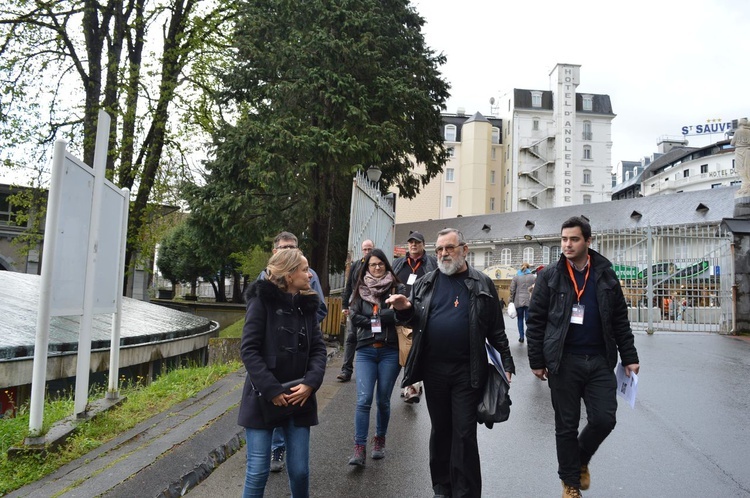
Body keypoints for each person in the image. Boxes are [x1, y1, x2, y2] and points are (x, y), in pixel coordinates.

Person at [386, 228, 514, 497]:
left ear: (464, 250)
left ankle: (465, 491)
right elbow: (414, 321)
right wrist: (404, 310)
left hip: (468, 370)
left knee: (464, 433)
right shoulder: (426, 283)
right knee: (441, 429)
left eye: (450, 248)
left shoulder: (481, 283)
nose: (444, 254)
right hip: (434, 371)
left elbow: (496, 329)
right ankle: (442, 486)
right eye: (440, 249)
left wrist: (507, 362)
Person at [526, 216, 640, 498]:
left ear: (588, 241)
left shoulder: (605, 274)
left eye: (574, 239)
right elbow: (536, 321)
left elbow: (619, 320)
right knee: (566, 425)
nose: (567, 244)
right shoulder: (549, 276)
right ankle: (570, 484)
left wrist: (629, 356)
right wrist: (537, 360)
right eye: (564, 239)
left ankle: (579, 460)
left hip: (599, 359)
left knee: (604, 419)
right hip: (563, 361)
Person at [238, 249, 327, 498]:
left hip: (300, 398)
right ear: (288, 275)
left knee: (299, 471)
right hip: (262, 398)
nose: (309, 274)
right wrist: (272, 389)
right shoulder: (260, 301)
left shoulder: (308, 305)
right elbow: (249, 350)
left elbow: (319, 350)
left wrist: (311, 383)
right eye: (304, 269)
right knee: (257, 471)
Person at [258, 232, 328, 473]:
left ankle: (284, 447)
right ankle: (277, 447)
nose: (290, 250)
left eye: (293, 246)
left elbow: (319, 309)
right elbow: (252, 340)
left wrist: (302, 328)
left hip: (299, 361)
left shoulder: (309, 278)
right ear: (276, 252)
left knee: (300, 471)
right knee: (256, 471)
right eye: (284, 247)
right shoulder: (262, 285)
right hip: (271, 368)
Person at [347, 248, 405, 465]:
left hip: (390, 350)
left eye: (381, 264)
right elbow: (355, 318)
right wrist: (382, 317)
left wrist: (373, 317)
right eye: (373, 264)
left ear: (386, 265)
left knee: (382, 400)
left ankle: (379, 439)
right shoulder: (359, 289)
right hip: (365, 350)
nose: (377, 267)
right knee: (363, 400)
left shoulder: (397, 288)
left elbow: (399, 315)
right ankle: (359, 448)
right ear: (367, 267)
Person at [391, 231, 437, 403]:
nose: (413, 245)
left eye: (417, 242)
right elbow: (391, 282)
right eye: (410, 242)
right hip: (402, 312)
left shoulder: (431, 262)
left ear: (423, 244)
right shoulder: (398, 263)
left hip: (423, 311)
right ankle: (411, 384)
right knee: (406, 348)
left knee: (416, 348)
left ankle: (411, 387)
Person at [337, 239, 374, 382]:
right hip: (355, 305)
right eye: (365, 249)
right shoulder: (356, 266)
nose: (367, 252)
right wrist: (345, 306)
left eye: (369, 249)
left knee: (373, 336)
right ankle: (346, 370)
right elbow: (348, 286)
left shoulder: (378, 266)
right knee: (351, 337)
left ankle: (369, 371)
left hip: (372, 307)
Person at [509, 262, 536, 343]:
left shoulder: (516, 277)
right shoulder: (533, 277)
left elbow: (512, 289)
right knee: (528, 320)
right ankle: (529, 337)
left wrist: (511, 300)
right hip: (529, 301)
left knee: (520, 319)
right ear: (528, 268)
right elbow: (536, 288)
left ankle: (521, 337)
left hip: (518, 301)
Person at [731, 117, 750, 194]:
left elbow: (732, 143)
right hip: (748, 150)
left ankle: (745, 184)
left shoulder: (738, 131)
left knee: (740, 168)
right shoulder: (749, 131)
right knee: (748, 167)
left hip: (739, 150)